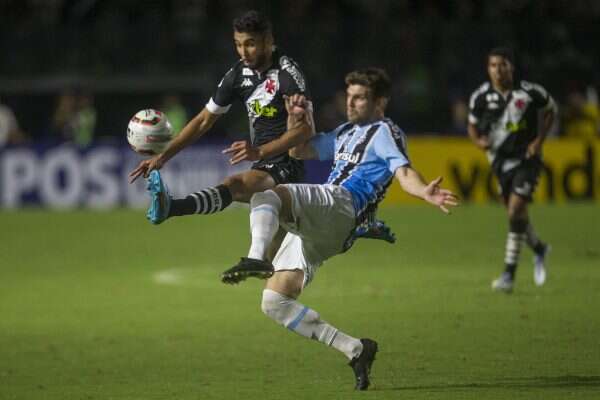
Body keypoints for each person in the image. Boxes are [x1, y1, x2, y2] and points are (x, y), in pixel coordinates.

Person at [219, 68, 458, 390]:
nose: (352, 103)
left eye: (360, 98)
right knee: (275, 303)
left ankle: (256, 257)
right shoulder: (347, 131)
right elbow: (299, 150)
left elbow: (402, 171)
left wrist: (422, 191)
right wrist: (299, 117)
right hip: (332, 228)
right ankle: (354, 348)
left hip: (343, 203)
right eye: (350, 97)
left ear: (380, 102)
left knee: (268, 195)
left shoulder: (385, 131)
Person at [129, 10, 394, 257]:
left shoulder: (288, 74)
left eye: (251, 43)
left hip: (288, 161)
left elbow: (305, 130)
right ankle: (356, 227)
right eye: (238, 44)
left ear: (268, 40)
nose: (243, 51)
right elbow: (203, 121)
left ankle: (171, 207)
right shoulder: (238, 74)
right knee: (273, 266)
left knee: (236, 185)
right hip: (265, 161)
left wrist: (260, 151)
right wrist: (162, 157)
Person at [467, 47, 556, 292]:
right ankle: (539, 249)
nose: (498, 70)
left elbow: (551, 109)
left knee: (516, 208)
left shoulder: (528, 91)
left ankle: (508, 275)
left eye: (502, 65)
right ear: (488, 69)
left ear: (511, 67)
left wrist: (539, 141)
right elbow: (472, 126)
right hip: (498, 162)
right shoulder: (481, 97)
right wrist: (478, 142)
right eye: (493, 65)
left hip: (526, 159)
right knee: (515, 215)